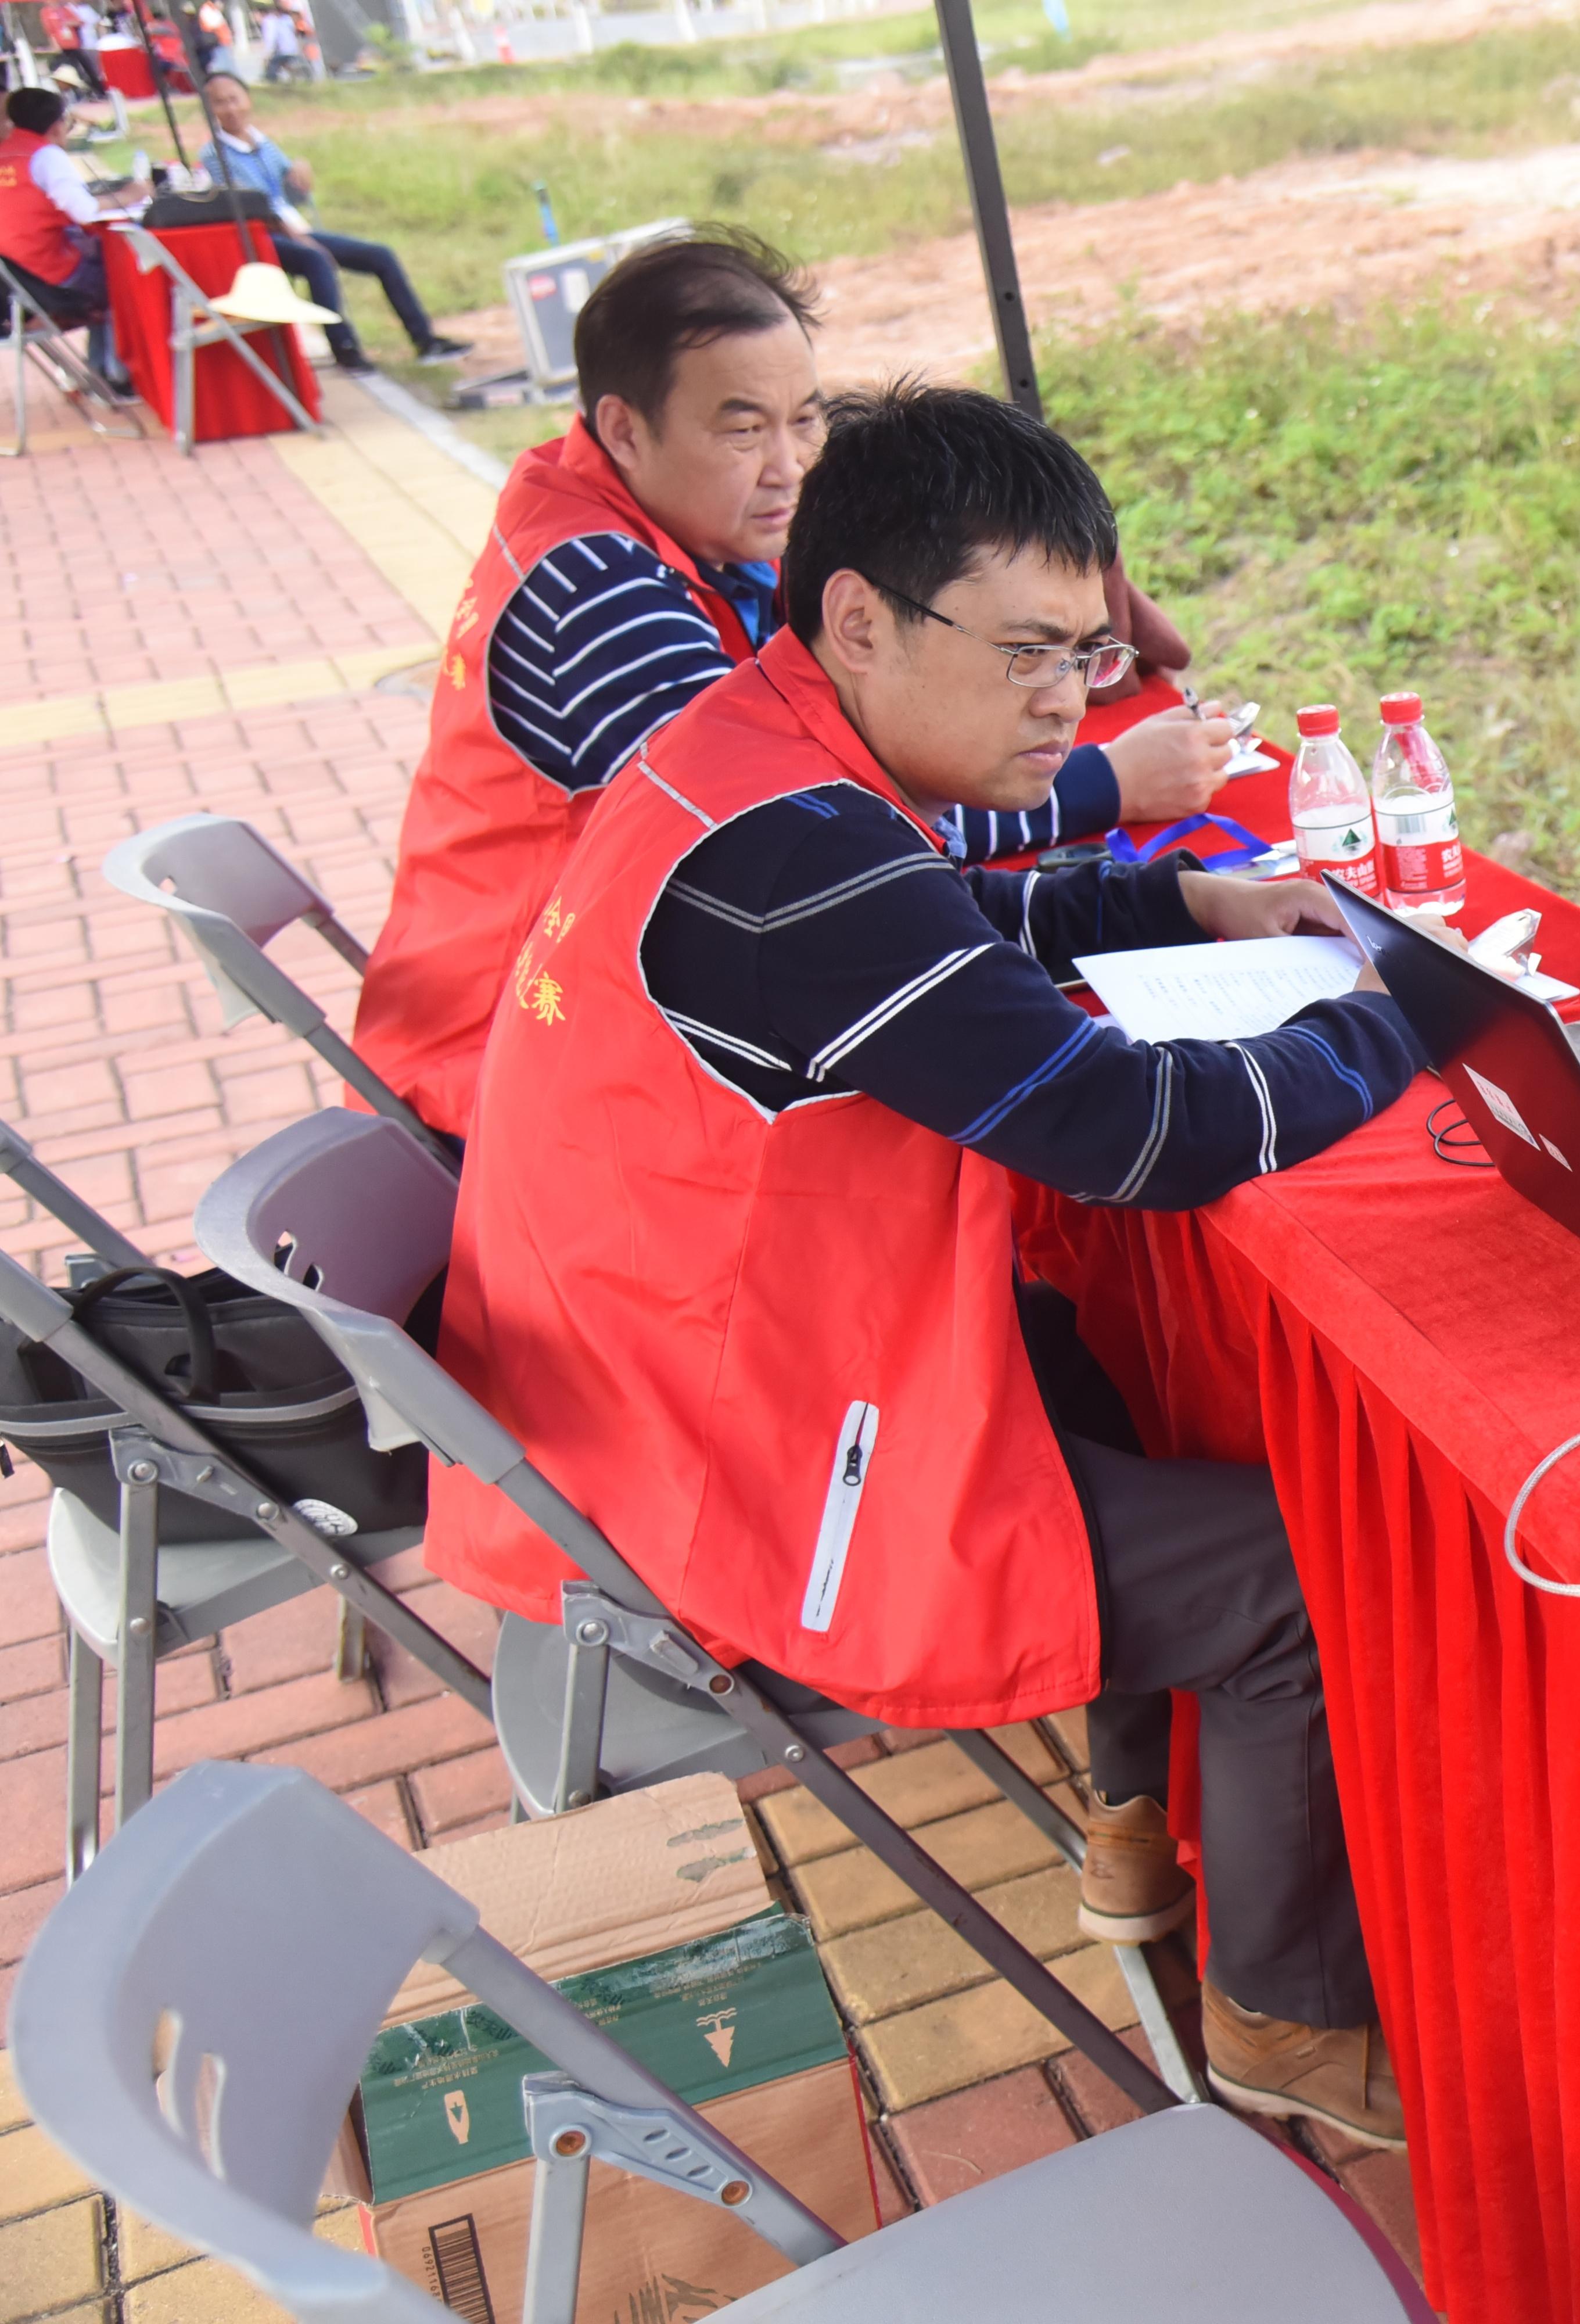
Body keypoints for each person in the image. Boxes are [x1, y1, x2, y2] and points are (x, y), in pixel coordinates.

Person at [428, 381, 1424, 2150]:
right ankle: (1281, 2010)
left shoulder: (754, 756)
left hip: (639, 1379)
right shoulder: (788, 849)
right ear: (863, 617)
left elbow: (934, 932)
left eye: (1093, 657)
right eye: (1035, 653)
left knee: (1066, 1349)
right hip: (705, 1467)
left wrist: (1175, 903)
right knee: (1286, 1571)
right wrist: (1408, 1014)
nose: (1076, 702)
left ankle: (1133, 1822)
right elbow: (1139, 1135)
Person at [349, 228, 1237, 1141]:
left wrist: (1169, 896)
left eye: (807, 419)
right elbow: (818, 836)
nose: (790, 466)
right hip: (514, 1070)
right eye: (742, 430)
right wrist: (1107, 783)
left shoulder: (676, 533)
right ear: (623, 429)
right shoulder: (597, 599)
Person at [182, 71, 461, 371]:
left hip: (295, 227)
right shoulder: (214, 154)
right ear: (210, 110)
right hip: (263, 236)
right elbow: (250, 205)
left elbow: (291, 193)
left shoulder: (263, 142)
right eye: (220, 103)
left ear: (248, 100)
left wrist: (300, 170)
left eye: (234, 99)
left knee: (380, 255)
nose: (231, 109)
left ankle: (425, 340)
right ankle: (345, 348)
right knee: (315, 259)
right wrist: (299, 237)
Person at [0, 84, 130, 389]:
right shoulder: (46, 157)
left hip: (19, 280)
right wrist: (129, 194)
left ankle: (99, 370)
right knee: (124, 281)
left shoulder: (6, 153)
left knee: (103, 269)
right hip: (52, 279)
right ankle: (118, 374)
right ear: (57, 125)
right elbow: (84, 212)